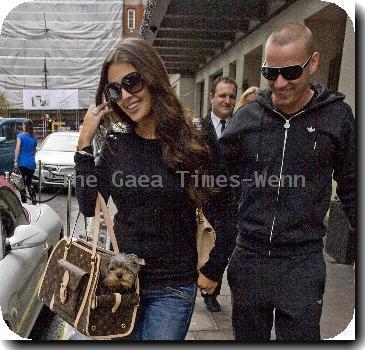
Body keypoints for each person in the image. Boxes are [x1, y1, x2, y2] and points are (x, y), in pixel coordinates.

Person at [74, 38, 236, 340]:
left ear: (152, 77)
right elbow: (87, 204)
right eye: (114, 89)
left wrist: (214, 268)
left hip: (173, 288)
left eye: (132, 82)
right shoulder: (116, 142)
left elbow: (225, 208)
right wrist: (84, 145)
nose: (125, 96)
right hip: (120, 282)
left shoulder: (196, 135)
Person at [219, 23, 355, 341]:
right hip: (250, 258)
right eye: (270, 73)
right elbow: (216, 182)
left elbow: (352, 185)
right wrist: (214, 255)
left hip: (302, 262)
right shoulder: (249, 115)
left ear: (314, 63)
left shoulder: (336, 117)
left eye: (291, 72)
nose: (279, 83)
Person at [201, 76, 237, 312]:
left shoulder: (240, 126)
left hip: (229, 202)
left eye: (231, 96)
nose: (227, 100)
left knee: (222, 245)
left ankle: (211, 292)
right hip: (202, 201)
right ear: (212, 97)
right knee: (201, 246)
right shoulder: (196, 127)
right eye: (222, 95)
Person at [14, 119, 37, 204]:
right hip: (31, 163)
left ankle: (24, 201)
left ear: (25, 126)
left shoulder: (20, 136)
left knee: (21, 183)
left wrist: (15, 161)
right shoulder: (34, 138)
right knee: (29, 182)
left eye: (23, 125)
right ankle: (33, 198)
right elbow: (34, 151)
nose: (22, 127)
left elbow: (17, 148)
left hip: (22, 163)